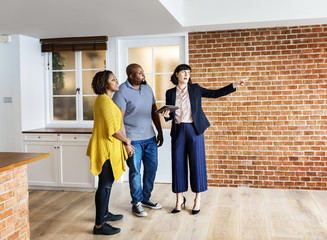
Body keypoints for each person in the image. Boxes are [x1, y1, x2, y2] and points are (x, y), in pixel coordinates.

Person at [161, 64, 247, 214]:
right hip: (178, 131)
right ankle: (179, 199)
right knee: (178, 165)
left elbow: (215, 93)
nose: (186, 75)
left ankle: (197, 199)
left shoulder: (195, 89)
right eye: (183, 72)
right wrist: (167, 116)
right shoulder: (170, 93)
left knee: (197, 164)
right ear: (176, 75)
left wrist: (234, 84)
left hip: (195, 131)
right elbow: (169, 116)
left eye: (188, 72)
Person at [86, 70, 135, 235]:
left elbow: (117, 124)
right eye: (112, 79)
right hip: (105, 149)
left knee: (107, 184)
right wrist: (127, 141)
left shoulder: (108, 100)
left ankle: (105, 214)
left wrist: (125, 143)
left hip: (111, 148)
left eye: (115, 79)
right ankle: (99, 225)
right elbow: (112, 130)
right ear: (104, 84)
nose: (116, 81)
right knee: (104, 186)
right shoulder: (103, 101)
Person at [112, 63, 164, 217]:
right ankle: (136, 202)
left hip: (150, 138)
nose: (143, 75)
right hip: (133, 140)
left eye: (143, 72)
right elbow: (118, 119)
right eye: (140, 73)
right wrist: (126, 142)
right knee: (135, 171)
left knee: (152, 169)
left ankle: (146, 198)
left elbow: (154, 111)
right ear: (131, 76)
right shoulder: (121, 91)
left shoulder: (147, 88)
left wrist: (160, 132)